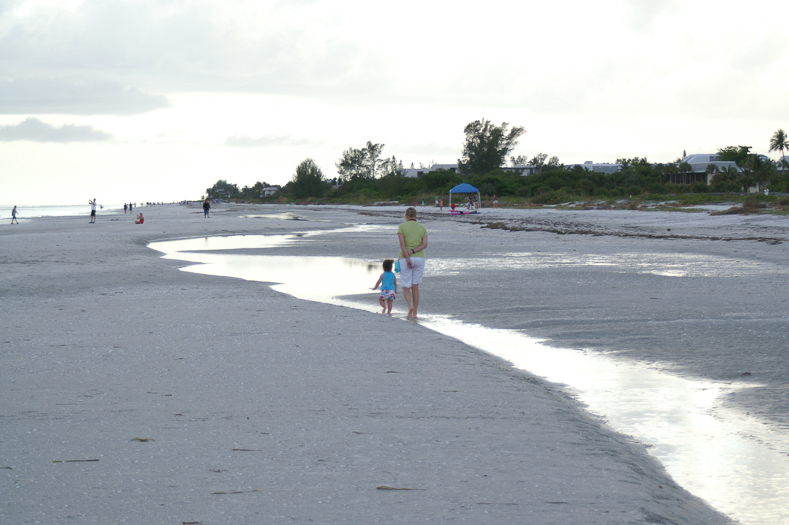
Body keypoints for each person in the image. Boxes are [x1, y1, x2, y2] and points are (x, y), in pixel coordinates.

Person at [397, 207, 428, 319]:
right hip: (419, 257)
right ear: (415, 216)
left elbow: (402, 243)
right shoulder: (422, 227)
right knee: (415, 286)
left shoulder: (402, 226)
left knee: (406, 285)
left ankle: (410, 306)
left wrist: (408, 256)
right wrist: (413, 251)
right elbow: (424, 245)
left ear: (406, 215)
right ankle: (415, 312)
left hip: (405, 258)